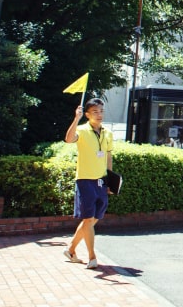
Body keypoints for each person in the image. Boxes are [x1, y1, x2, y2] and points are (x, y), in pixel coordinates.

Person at [61, 98, 113, 269]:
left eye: (101, 111)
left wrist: (110, 181)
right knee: (88, 218)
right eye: (95, 112)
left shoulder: (107, 133)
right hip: (85, 180)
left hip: (101, 181)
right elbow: (69, 139)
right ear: (87, 114)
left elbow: (108, 157)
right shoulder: (82, 130)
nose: (99, 115)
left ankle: (70, 250)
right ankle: (92, 256)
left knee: (91, 221)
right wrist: (76, 118)